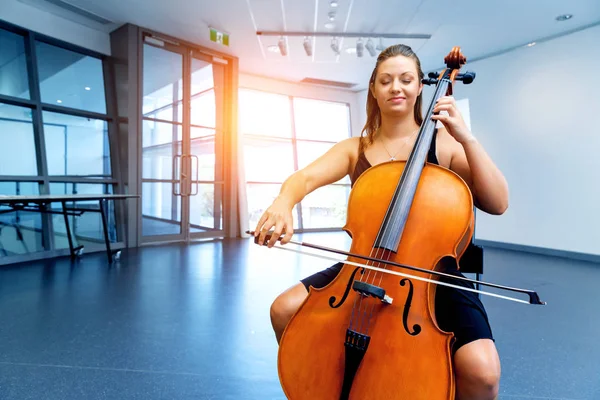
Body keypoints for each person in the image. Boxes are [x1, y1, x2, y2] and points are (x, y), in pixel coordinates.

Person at [253, 44, 508, 400]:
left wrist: (466, 137)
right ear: (374, 88)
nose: (396, 88)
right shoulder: (355, 148)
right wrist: (283, 202)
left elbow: (497, 203)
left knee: (482, 371)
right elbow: (303, 179)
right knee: (284, 309)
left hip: (433, 274)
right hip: (365, 265)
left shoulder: (445, 144)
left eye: (406, 79)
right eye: (386, 80)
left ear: (421, 86)